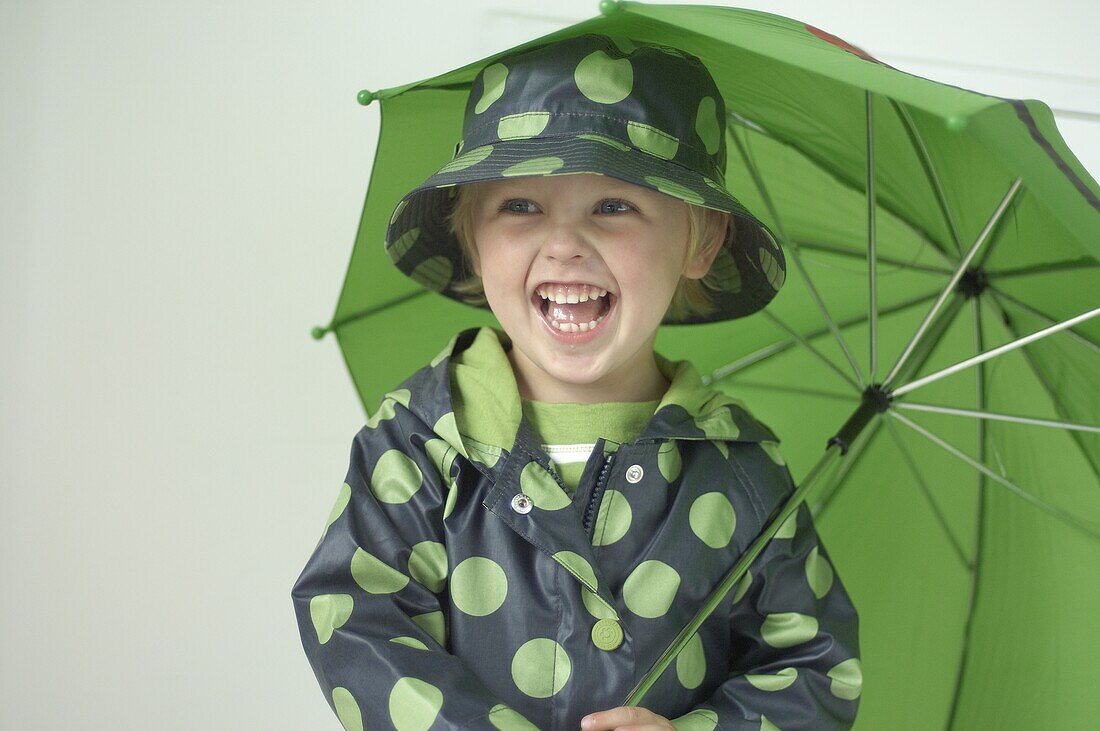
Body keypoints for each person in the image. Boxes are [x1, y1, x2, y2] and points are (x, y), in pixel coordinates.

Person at [291, 33, 862, 730]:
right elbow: (351, 613)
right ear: (469, 233)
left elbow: (813, 664)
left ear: (702, 240)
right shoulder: (423, 440)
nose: (563, 243)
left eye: (614, 206)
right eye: (520, 207)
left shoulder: (736, 468)